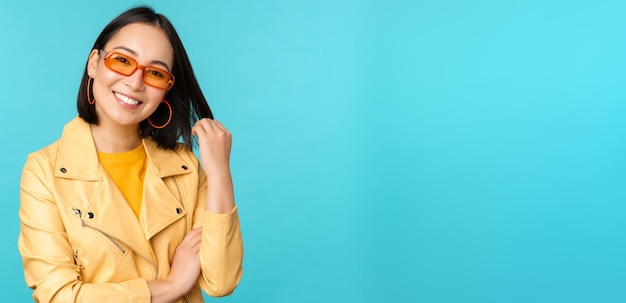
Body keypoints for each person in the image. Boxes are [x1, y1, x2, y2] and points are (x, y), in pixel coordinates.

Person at [17, 6, 243, 303]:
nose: (135, 83)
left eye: (155, 73)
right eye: (122, 60)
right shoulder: (44, 171)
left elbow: (220, 281)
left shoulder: (185, 166)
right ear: (94, 64)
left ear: (167, 87)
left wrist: (219, 172)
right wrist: (173, 286)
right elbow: (60, 295)